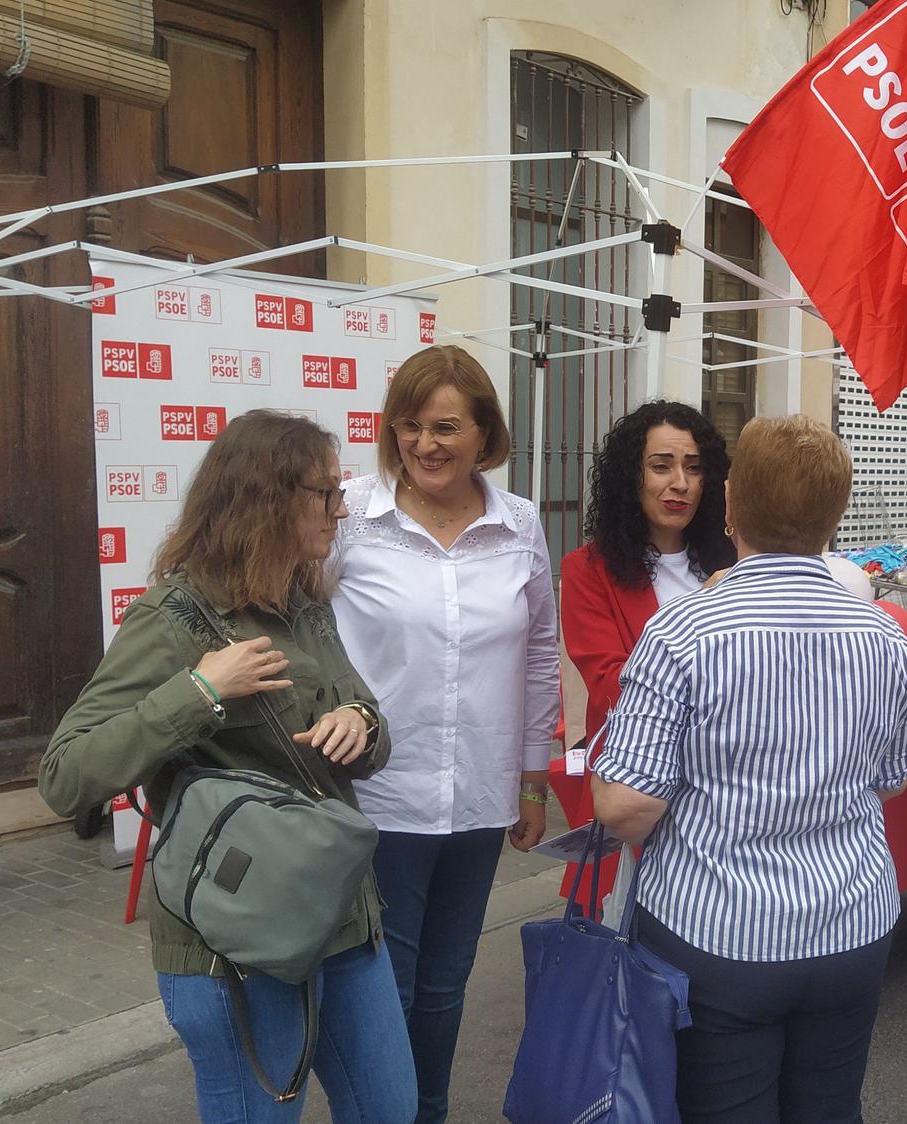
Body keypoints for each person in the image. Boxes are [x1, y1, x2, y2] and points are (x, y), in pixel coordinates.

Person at [40, 411, 413, 1123]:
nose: (342, 509)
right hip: (237, 945)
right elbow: (65, 775)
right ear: (266, 499)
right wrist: (202, 691)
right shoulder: (175, 618)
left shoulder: (304, 604)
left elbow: (372, 728)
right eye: (325, 494)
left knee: (391, 1109)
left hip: (338, 910)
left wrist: (358, 726)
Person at [590, 415, 907, 1124]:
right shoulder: (885, 633)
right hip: (851, 925)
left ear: (731, 504)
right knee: (829, 1108)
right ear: (835, 512)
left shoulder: (681, 632)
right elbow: (892, 777)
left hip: (719, 931)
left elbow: (624, 808)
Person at [329, 346, 559, 1123]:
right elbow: (300, 630)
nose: (427, 444)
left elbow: (538, 657)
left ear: (484, 433)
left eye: (448, 427)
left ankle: (426, 1109)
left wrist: (534, 778)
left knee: (445, 983)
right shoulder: (351, 516)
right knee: (383, 981)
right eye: (411, 425)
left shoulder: (519, 523)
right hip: (376, 795)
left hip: (480, 795)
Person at [560, 402, 736, 763]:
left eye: (694, 468)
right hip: (637, 774)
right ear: (630, 478)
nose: (681, 484)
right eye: (661, 467)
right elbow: (612, 687)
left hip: (727, 774)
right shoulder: (587, 571)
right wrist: (699, 607)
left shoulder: (732, 560)